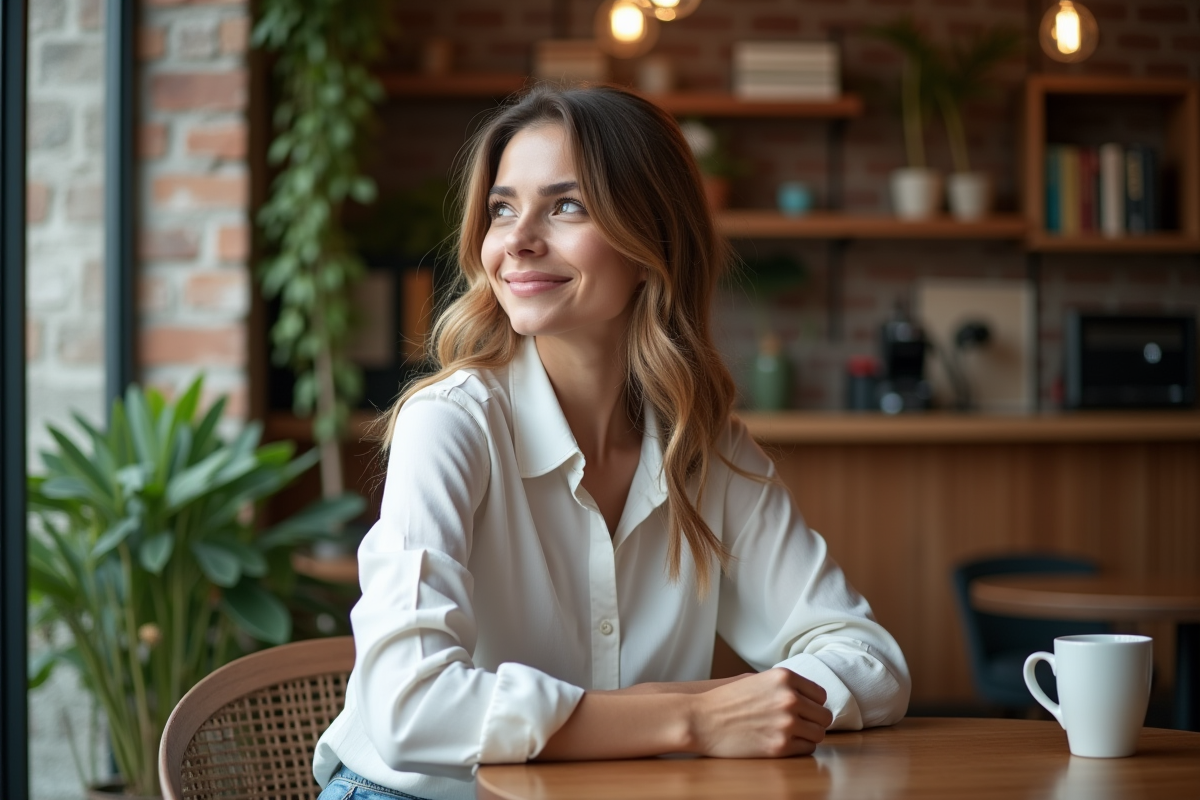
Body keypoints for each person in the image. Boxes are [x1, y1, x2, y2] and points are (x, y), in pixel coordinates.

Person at [313, 84, 910, 800]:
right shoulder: (450, 423)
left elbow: (869, 659)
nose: (518, 241)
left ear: (652, 239)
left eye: (566, 206)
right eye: (503, 209)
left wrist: (763, 709)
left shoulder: (703, 445)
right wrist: (692, 718)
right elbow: (410, 709)